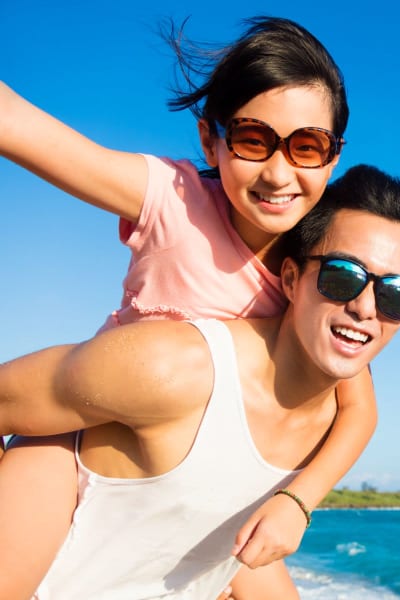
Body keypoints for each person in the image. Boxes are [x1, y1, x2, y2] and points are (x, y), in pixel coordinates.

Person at [0, 16, 365, 598]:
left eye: (307, 146)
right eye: (252, 139)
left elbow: (357, 409)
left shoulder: (319, 269)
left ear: (333, 157)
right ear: (209, 140)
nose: (279, 173)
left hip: (195, 485)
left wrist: (298, 503)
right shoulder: (172, 198)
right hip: (74, 438)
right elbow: (19, 126)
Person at [0, 164, 400, 599]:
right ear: (290, 278)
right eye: (342, 276)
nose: (365, 307)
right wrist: (26, 485)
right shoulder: (173, 368)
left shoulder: (338, 418)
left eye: (395, 295)